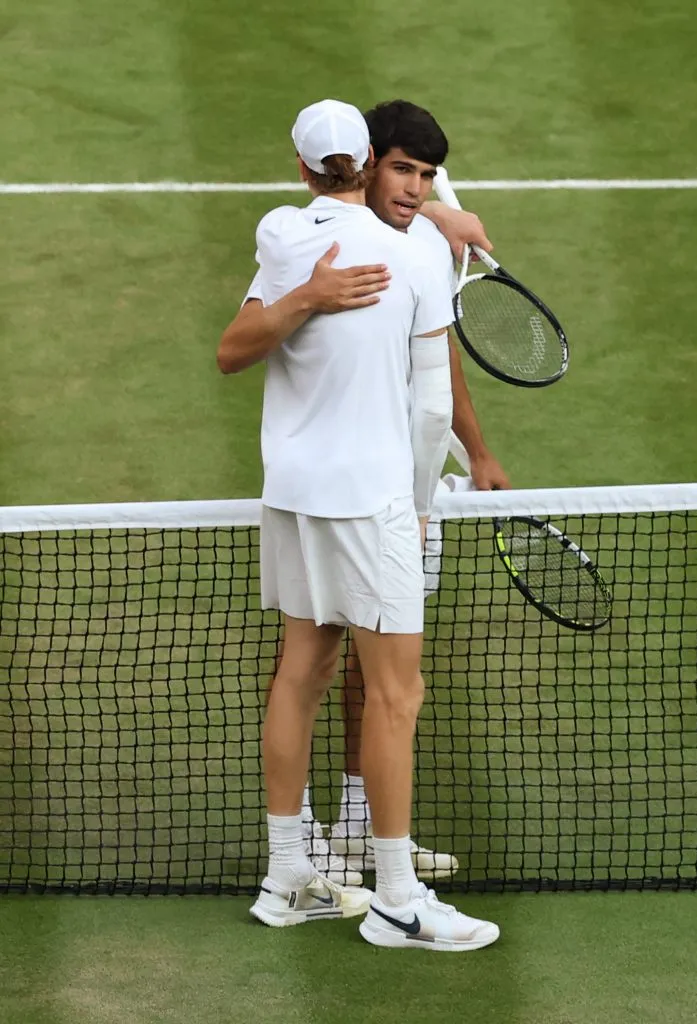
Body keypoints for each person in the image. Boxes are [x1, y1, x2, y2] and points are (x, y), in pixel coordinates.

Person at [220, 98, 499, 951]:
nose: (413, 187)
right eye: (401, 169)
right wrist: (417, 506)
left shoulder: (278, 231)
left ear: (301, 167)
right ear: (372, 158)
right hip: (373, 499)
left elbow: (233, 347)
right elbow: (426, 411)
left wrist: (312, 291)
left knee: (299, 673)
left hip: (292, 493)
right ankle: (396, 900)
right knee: (394, 694)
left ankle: (285, 879)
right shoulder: (413, 259)